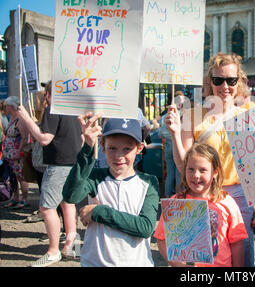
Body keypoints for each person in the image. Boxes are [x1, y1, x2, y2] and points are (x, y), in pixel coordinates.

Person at [164, 53, 255, 266]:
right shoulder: (192, 115)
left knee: (241, 258)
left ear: (239, 82)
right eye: (218, 80)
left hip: (239, 195)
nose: (224, 86)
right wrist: (174, 134)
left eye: (231, 80)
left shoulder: (250, 113)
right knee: (208, 256)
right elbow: (184, 166)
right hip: (204, 195)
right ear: (210, 82)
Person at [62, 114, 159, 267]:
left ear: (139, 148)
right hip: (95, 262)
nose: (119, 156)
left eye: (127, 149)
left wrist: (99, 212)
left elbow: (145, 227)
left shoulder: (148, 182)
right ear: (102, 146)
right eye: (112, 148)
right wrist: (87, 147)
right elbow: (70, 195)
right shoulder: (95, 177)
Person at [16, 81, 80, 267]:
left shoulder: (54, 109)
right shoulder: (73, 110)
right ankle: (71, 246)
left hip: (58, 164)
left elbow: (45, 139)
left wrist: (27, 119)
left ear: (51, 95)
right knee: (68, 204)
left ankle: (53, 251)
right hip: (72, 162)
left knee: (46, 207)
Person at [154, 143, 248, 267]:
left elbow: (236, 243)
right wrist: (178, 265)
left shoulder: (227, 203)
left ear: (215, 172)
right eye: (191, 169)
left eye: (203, 170)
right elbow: (161, 239)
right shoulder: (175, 203)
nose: (196, 175)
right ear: (184, 170)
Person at [159, 91, 188, 197]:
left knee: (170, 173)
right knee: (178, 173)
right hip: (177, 145)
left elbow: (160, 133)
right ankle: (178, 197)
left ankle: (167, 196)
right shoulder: (183, 116)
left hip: (167, 146)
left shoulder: (164, 117)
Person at [3, 96, 29, 209]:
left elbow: (24, 137)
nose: (5, 108)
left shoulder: (20, 119)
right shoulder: (11, 117)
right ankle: (16, 197)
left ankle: (24, 199)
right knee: (12, 176)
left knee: (21, 176)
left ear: (11, 106)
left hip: (17, 153)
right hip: (9, 153)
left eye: (6, 106)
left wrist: (19, 151)